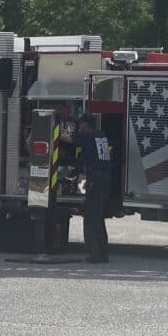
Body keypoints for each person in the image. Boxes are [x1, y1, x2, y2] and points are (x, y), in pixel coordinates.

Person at [64, 113, 111, 263]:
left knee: (90, 218)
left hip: (95, 179)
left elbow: (67, 139)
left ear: (85, 124)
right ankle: (103, 254)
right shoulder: (101, 135)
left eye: (80, 123)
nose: (79, 126)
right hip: (105, 178)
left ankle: (95, 255)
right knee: (99, 218)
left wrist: (57, 130)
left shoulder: (86, 134)